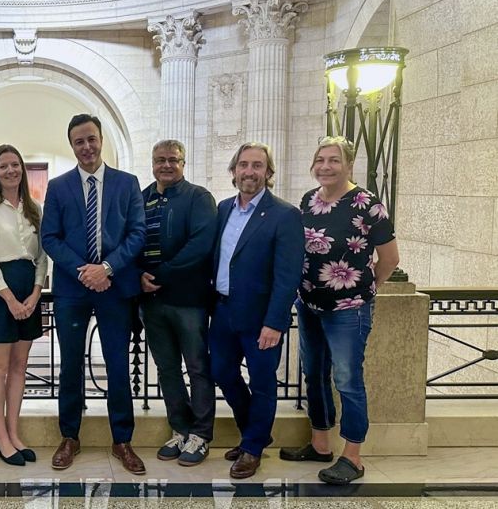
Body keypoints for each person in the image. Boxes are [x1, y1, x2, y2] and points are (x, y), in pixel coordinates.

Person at [279, 136, 399, 485]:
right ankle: (320, 443)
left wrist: (364, 291)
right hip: (310, 305)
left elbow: (389, 260)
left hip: (349, 310)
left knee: (347, 380)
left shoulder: (367, 204)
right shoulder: (308, 201)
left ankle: (353, 456)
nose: (325, 167)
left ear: (349, 164)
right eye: (320, 160)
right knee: (313, 374)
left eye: (333, 160)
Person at [41, 114, 147, 475]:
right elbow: (49, 237)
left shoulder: (126, 183)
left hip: (115, 288)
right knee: (70, 364)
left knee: (117, 364)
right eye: (78, 142)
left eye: (91, 139)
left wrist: (108, 269)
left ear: (101, 139)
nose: (86, 147)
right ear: (71, 146)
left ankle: (122, 440)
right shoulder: (58, 187)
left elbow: (137, 233)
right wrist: (84, 272)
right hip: (73, 289)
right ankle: (70, 436)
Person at [210, 142, 304, 479]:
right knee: (222, 372)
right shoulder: (222, 209)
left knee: (263, 382)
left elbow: (288, 275)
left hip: (261, 319)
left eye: (257, 166)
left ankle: (251, 448)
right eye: (244, 165)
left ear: (268, 172)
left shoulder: (285, 215)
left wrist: (275, 323)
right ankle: (257, 434)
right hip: (222, 313)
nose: (250, 172)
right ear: (234, 171)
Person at [138, 139, 218, 466]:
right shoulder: (141, 199)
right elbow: (129, 240)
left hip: (188, 301)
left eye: (173, 159)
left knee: (198, 367)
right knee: (167, 368)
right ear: (152, 163)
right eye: (160, 160)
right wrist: (137, 275)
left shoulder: (198, 198)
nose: (166, 165)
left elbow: (201, 244)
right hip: (152, 301)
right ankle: (180, 429)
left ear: (183, 163)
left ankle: (201, 434)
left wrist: (163, 273)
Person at [0, 144, 47, 467]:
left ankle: (15, 433)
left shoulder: (35, 209)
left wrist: (35, 294)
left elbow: (43, 256)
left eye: (15, 164)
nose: (10, 170)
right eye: (3, 166)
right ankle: (1, 439)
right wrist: (9, 298)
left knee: (20, 368)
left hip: (29, 291)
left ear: (22, 168)